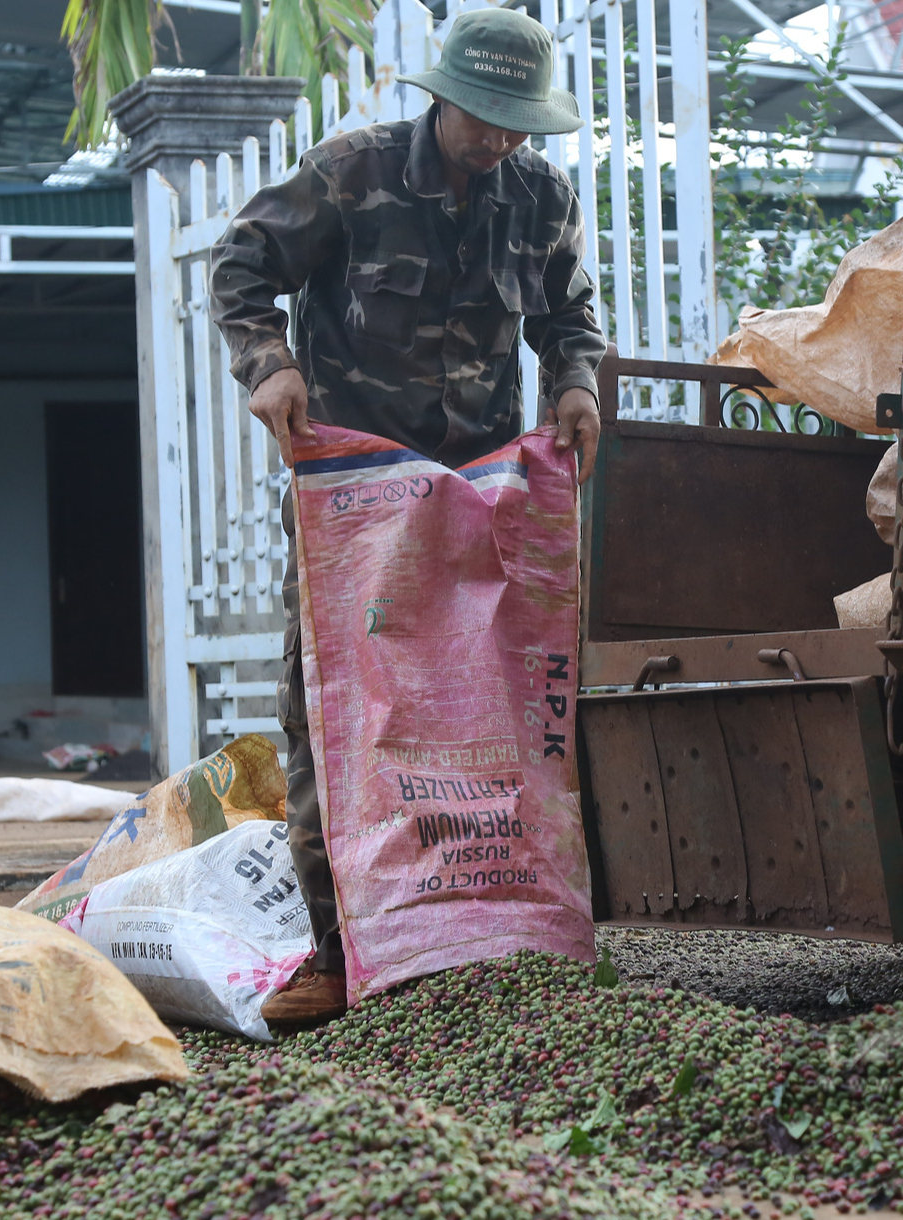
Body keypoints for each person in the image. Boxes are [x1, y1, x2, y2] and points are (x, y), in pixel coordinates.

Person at [210, 6, 607, 1025]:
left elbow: (571, 315)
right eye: (488, 119)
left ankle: (487, 934)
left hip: (479, 500)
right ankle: (340, 953)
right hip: (359, 504)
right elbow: (241, 266)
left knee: (486, 711)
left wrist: (574, 383)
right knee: (343, 714)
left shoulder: (538, 195)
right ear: (444, 98)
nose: (503, 140)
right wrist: (271, 365)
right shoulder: (353, 173)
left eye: (521, 123)